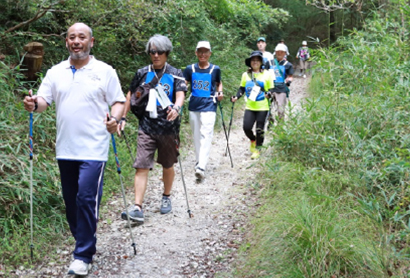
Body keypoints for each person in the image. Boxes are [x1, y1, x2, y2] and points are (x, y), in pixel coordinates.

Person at [23, 23, 125, 276]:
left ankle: (83, 254)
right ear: (66, 42)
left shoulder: (104, 71)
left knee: (86, 198)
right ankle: (83, 239)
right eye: (72, 37)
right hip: (66, 148)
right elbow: (44, 101)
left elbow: (119, 101)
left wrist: (114, 119)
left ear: (92, 42)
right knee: (71, 202)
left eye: (82, 37)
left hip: (94, 148)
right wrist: (33, 104)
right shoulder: (55, 72)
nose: (76, 41)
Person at [120, 34, 187, 223]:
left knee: (167, 164)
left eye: (160, 52)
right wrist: (123, 117)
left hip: (168, 127)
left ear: (167, 53)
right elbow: (130, 95)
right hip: (146, 126)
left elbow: (180, 94)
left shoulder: (175, 73)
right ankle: (137, 207)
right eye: (152, 51)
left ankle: (166, 196)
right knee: (141, 165)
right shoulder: (142, 72)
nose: (156, 55)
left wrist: (176, 107)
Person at [183, 41, 223, 180]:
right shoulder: (190, 69)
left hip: (209, 105)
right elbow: (184, 84)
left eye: (205, 51)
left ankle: (201, 166)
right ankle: (199, 160)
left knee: (206, 133)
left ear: (210, 53)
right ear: (196, 53)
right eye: (200, 51)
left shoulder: (215, 69)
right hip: (194, 106)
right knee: (196, 134)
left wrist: (220, 92)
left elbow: (219, 83)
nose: (203, 54)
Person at [231, 51, 274, 159]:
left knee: (260, 129)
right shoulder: (246, 75)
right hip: (250, 106)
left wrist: (269, 94)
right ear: (250, 62)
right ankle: (253, 140)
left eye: (257, 60)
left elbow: (272, 89)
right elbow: (242, 88)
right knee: (246, 127)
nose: (255, 62)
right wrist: (236, 97)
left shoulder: (267, 74)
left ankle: (258, 149)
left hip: (262, 106)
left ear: (261, 62)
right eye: (253, 60)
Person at [271, 43, 294, 121]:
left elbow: (290, 76)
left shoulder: (288, 65)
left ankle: (280, 128)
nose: (279, 53)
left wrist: (288, 82)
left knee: (280, 110)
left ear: (285, 53)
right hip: (269, 88)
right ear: (275, 52)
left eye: (282, 52)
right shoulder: (270, 63)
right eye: (278, 51)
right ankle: (270, 122)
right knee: (266, 109)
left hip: (281, 89)